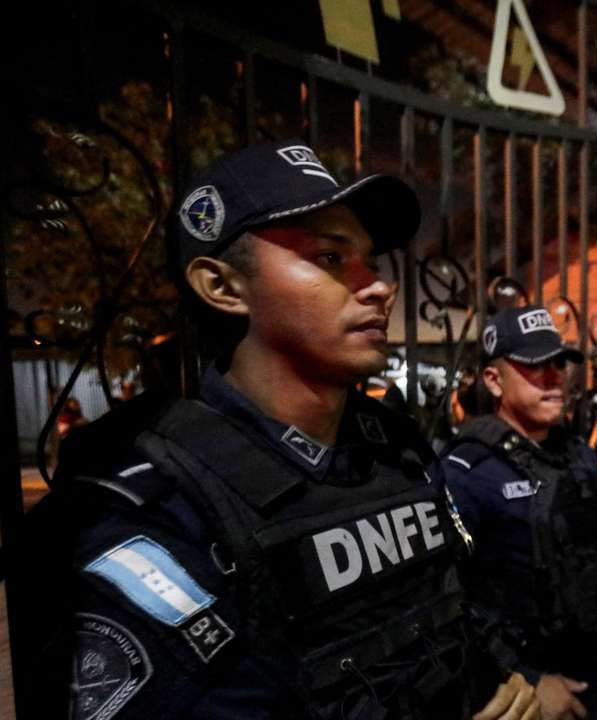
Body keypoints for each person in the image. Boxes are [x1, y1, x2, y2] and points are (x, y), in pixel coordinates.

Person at [14, 139, 538, 719]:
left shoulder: (396, 448)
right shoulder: (162, 508)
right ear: (222, 287)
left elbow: (450, 608)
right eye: (331, 257)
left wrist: (508, 683)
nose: (379, 286)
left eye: (372, 261)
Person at [443, 305, 597, 720]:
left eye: (558, 364)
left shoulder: (575, 453)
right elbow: (451, 599)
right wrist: (525, 677)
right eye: (534, 366)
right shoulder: (468, 471)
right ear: (494, 380)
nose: (554, 377)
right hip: (537, 686)